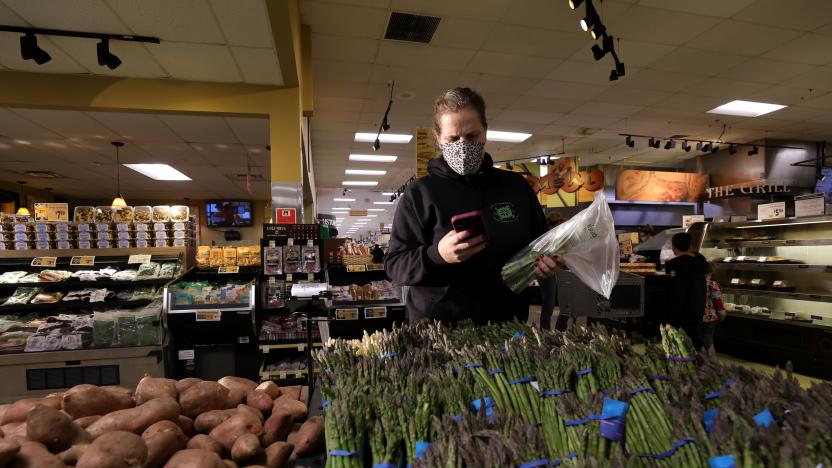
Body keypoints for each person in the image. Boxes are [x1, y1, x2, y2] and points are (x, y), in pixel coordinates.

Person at [385, 87, 562, 325]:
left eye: (472, 136)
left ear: (485, 133)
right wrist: (437, 254)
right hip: (440, 327)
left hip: (507, 323)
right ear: (438, 138)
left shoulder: (515, 187)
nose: (463, 145)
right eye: (453, 139)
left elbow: (541, 246)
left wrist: (547, 263)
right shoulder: (420, 193)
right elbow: (395, 266)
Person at [664, 232, 707, 349]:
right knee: (696, 340)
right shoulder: (700, 259)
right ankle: (701, 362)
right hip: (698, 307)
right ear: (690, 245)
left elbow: (676, 292)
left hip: (681, 312)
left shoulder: (675, 264)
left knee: (681, 345)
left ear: (674, 247)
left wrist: (670, 318)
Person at [702, 262, 725, 351]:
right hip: (710, 317)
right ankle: (710, 359)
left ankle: (700, 358)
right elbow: (717, 300)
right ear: (711, 272)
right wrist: (721, 312)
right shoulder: (712, 284)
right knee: (708, 339)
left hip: (697, 315)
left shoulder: (696, 283)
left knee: (698, 339)